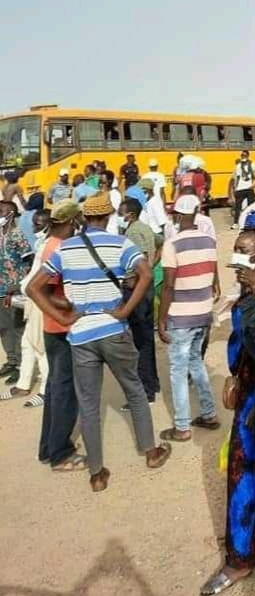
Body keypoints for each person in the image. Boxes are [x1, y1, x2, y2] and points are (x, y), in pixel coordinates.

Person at [27, 193, 171, 492]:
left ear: (84, 218)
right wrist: (125, 310)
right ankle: (151, 452)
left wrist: (63, 317)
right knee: (134, 390)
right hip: (114, 329)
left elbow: (33, 288)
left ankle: (97, 474)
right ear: (108, 216)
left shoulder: (65, 248)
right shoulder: (120, 244)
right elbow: (145, 274)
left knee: (89, 404)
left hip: (81, 335)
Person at [200, 213, 255, 596]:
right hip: (251, 390)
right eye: (234, 250)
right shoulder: (252, 291)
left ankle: (239, 558)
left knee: (246, 471)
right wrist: (234, 375)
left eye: (243, 252)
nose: (235, 259)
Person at [158, 194, 221, 442]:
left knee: (178, 370)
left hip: (180, 316)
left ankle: (182, 426)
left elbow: (168, 286)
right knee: (196, 361)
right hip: (203, 313)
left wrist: (161, 319)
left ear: (175, 215)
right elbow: (214, 276)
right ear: (197, 212)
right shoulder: (209, 240)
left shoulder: (171, 244)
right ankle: (209, 413)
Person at [35, 200, 84, 471]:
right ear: (72, 221)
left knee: (56, 389)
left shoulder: (53, 244)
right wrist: (73, 305)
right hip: (61, 328)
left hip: (53, 327)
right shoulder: (57, 249)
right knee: (65, 391)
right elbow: (45, 292)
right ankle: (60, 453)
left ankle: (48, 447)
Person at [1, 208, 52, 406]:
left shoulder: (53, 245)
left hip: (42, 299)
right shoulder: (42, 243)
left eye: (38, 224)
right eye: (34, 224)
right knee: (27, 343)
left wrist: (18, 286)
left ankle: (46, 390)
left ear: (49, 224)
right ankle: (22, 386)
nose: (34, 228)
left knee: (40, 346)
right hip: (30, 297)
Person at [117, 198, 160, 409]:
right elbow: (160, 243)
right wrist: (151, 266)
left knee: (139, 343)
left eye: (121, 212)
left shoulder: (133, 232)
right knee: (146, 340)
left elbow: (140, 256)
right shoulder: (145, 228)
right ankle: (152, 383)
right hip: (146, 286)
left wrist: (135, 277)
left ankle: (145, 391)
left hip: (137, 289)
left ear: (130, 214)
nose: (119, 216)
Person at [0, 201, 32, 385]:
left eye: (1, 211)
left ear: (11, 213)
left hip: (14, 290)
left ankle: (21, 366)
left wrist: (20, 284)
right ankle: (11, 360)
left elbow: (28, 260)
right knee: (3, 328)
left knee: (17, 327)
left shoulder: (17, 234)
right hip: (0, 289)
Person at [229, 150, 255, 228]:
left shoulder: (252, 164)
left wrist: (254, 184)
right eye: (242, 155)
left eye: (244, 155)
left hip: (249, 188)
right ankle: (236, 223)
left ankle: (251, 222)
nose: (243, 157)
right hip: (240, 189)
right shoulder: (238, 166)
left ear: (248, 156)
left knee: (251, 206)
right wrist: (235, 188)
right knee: (237, 207)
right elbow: (237, 177)